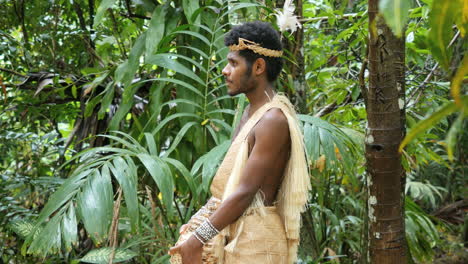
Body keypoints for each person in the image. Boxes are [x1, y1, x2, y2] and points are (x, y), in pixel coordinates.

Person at [169, 21, 310, 264]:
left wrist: (198, 238)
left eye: (233, 63)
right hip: (239, 235)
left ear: (258, 66)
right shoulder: (250, 113)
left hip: (256, 244)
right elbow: (232, 190)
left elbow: (245, 192)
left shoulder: (272, 119)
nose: (225, 70)